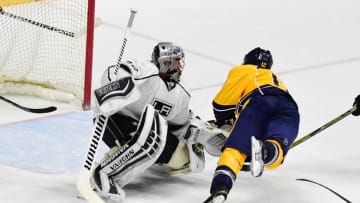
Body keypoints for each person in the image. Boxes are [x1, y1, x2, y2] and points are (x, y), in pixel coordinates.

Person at [91, 42, 228, 201]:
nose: (179, 65)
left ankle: (145, 163)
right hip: (114, 118)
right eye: (175, 61)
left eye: (179, 61)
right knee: (151, 133)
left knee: (185, 160)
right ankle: (104, 174)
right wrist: (120, 86)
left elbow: (180, 125)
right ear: (165, 62)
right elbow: (114, 72)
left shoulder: (181, 92)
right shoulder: (147, 70)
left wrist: (198, 132)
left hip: (146, 127)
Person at [204, 47, 300, 203]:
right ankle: (266, 151)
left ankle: (221, 188)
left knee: (236, 149)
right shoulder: (275, 78)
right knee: (277, 145)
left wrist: (223, 123)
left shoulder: (245, 70)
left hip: (259, 102)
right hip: (290, 109)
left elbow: (222, 105)